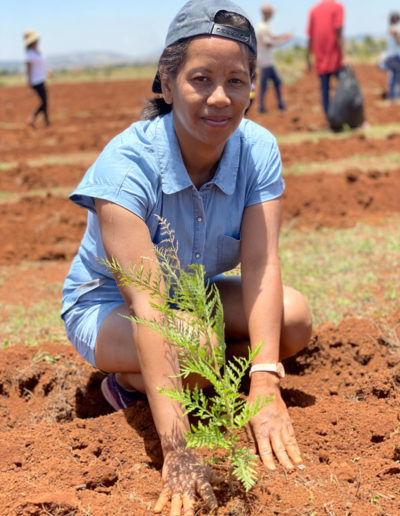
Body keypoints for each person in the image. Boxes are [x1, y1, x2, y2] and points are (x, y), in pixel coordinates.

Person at [61, 1, 312, 513]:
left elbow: (261, 265)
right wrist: (179, 450)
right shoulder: (127, 167)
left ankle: (208, 370)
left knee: (295, 320)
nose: (219, 98)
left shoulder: (258, 149)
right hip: (112, 308)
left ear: (252, 87)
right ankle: (128, 385)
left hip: (194, 295)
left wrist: (265, 381)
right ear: (168, 83)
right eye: (201, 79)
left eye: (236, 81)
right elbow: (150, 308)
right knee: (193, 344)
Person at [306, 0, 345, 119]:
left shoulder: (313, 10)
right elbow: (338, 31)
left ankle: (330, 119)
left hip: (320, 59)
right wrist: (345, 55)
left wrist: (308, 57)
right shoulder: (338, 7)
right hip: (335, 57)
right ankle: (345, 116)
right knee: (344, 86)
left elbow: (310, 36)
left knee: (325, 91)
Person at [256, 4, 291, 113]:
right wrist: (283, 41)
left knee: (275, 82)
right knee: (267, 84)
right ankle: (263, 107)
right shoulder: (262, 27)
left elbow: (272, 37)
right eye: (271, 14)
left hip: (266, 60)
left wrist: (282, 36)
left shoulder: (264, 26)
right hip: (265, 61)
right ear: (267, 14)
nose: (272, 16)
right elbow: (268, 43)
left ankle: (277, 104)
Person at [23, 29, 50, 128]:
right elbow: (28, 70)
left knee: (45, 101)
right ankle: (32, 119)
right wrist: (29, 85)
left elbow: (41, 66)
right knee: (44, 102)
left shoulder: (38, 52)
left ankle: (47, 122)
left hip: (41, 79)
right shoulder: (29, 54)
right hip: (35, 81)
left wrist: (47, 73)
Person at [385, 12, 400, 99]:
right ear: (395, 19)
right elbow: (399, 42)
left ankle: (393, 94)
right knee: (395, 74)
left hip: (391, 55)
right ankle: (393, 94)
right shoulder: (394, 29)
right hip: (394, 55)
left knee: (393, 74)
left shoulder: (391, 28)